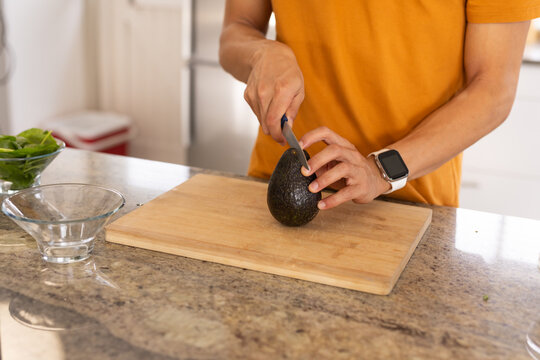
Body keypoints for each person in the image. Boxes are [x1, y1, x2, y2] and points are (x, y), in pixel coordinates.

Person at [219, 1, 540, 210]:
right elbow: (235, 33)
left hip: (409, 204)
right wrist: (260, 52)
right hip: (278, 189)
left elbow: (493, 89)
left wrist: (380, 171)